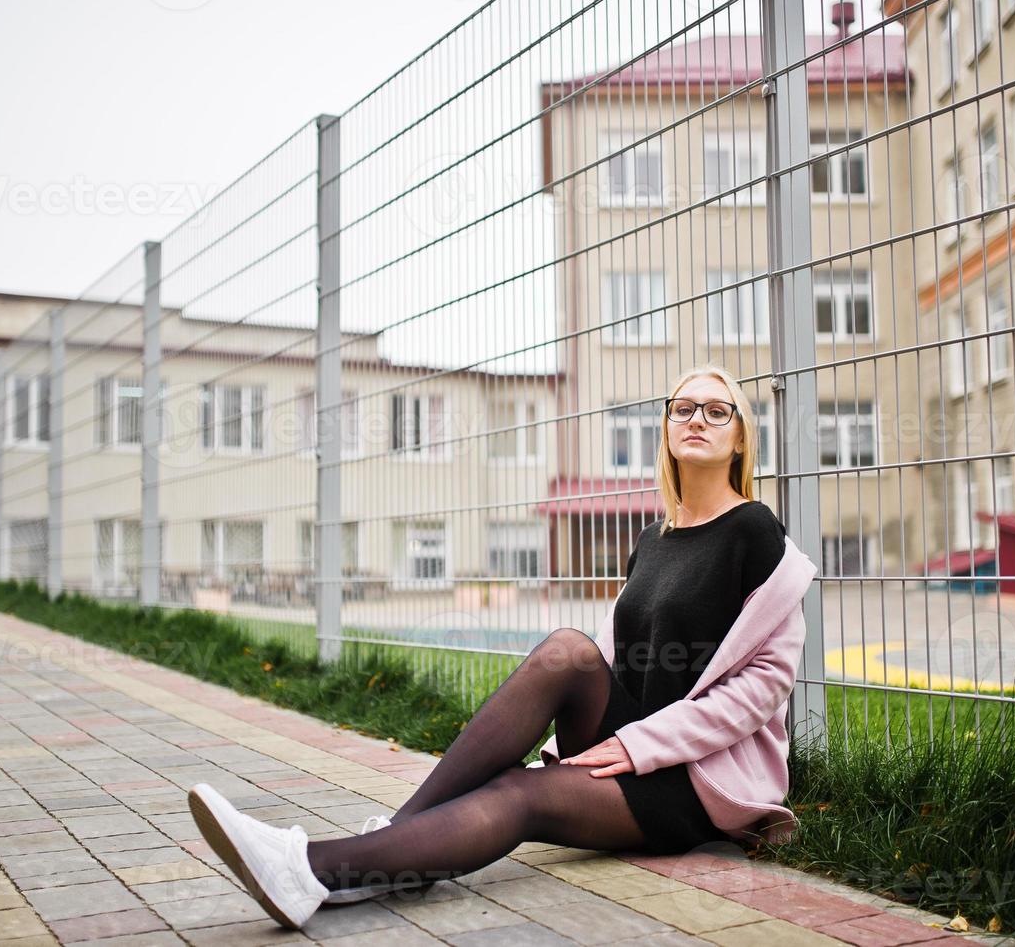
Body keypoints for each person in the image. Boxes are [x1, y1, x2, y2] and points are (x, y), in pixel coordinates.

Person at [186, 364, 818, 930]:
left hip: (692, 783)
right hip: (631, 751)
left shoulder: (755, 534)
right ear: (665, 429)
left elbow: (761, 690)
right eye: (683, 408)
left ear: (739, 437)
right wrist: (583, 745)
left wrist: (636, 744)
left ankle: (310, 868)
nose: (697, 420)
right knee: (567, 649)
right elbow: (614, 659)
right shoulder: (654, 540)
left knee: (519, 795)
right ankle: (389, 844)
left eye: (717, 410)